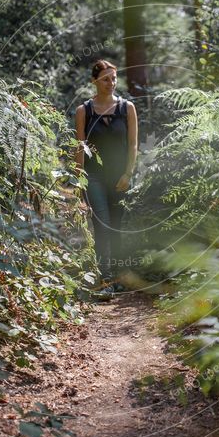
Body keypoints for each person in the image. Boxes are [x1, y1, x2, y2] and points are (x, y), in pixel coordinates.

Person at [75, 59, 138, 296]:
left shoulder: (127, 108)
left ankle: (120, 276)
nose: (111, 83)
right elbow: (79, 148)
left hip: (120, 176)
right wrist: (79, 182)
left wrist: (128, 173)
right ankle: (105, 280)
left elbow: (133, 145)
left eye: (114, 78)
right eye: (105, 79)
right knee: (101, 226)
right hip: (94, 178)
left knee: (117, 226)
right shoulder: (84, 111)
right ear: (94, 81)